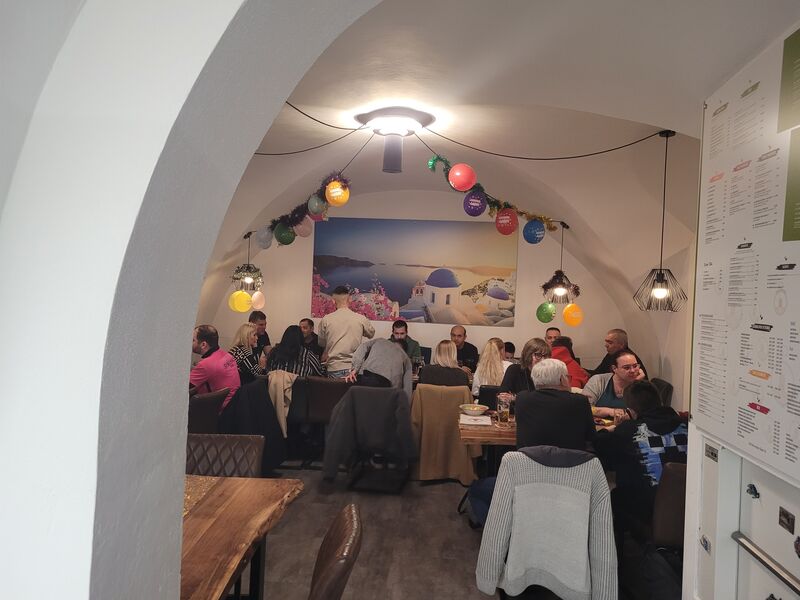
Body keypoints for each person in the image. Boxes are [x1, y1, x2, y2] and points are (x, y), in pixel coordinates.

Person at [595, 380, 688, 551]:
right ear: (660, 401)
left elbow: (600, 447)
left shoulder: (627, 431)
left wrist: (615, 428)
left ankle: (619, 557)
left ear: (631, 411)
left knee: (614, 494)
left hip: (646, 511)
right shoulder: (687, 425)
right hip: (687, 506)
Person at [515, 359, 596, 451]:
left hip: (529, 458)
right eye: (568, 377)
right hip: (569, 459)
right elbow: (591, 436)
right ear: (562, 379)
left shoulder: (522, 398)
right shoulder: (579, 401)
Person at [317, 286, 375, 378]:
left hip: (334, 367)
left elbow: (321, 343)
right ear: (350, 299)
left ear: (333, 301)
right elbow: (371, 334)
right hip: (354, 368)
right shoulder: (360, 318)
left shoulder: (326, 320)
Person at [190, 324, 240, 409]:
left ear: (203, 344)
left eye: (193, 340)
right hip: (234, 404)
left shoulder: (205, 364)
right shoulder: (228, 356)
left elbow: (182, 387)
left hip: (216, 409)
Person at [344, 337, 413, 398]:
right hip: (386, 385)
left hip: (365, 376)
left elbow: (363, 346)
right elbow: (408, 387)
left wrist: (355, 369)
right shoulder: (405, 357)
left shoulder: (380, 340)